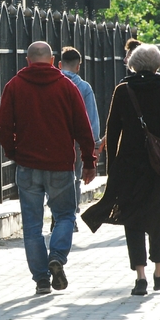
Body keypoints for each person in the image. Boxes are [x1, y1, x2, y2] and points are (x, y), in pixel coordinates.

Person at [81, 44, 160, 296]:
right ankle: (159, 272)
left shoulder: (123, 91)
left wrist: (113, 167)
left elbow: (113, 129)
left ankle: (140, 277)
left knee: (133, 218)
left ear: (133, 64)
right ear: (159, 64)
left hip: (129, 165)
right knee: (158, 216)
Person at [0, 41, 97, 294]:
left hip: (28, 166)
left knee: (31, 226)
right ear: (53, 61)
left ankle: (41, 279)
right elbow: (83, 128)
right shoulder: (67, 87)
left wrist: (13, 152)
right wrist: (88, 162)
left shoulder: (14, 86)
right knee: (64, 216)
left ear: (28, 61)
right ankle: (58, 257)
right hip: (60, 165)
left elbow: (3, 127)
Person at [58, 46, 102, 232]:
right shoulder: (84, 87)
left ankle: (56, 213)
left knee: (54, 177)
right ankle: (70, 217)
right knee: (74, 178)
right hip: (76, 141)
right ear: (78, 67)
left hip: (54, 138)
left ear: (59, 64)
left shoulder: (53, 83)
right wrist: (95, 144)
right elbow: (91, 118)